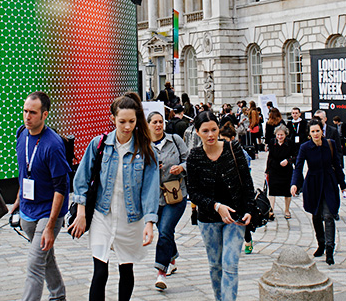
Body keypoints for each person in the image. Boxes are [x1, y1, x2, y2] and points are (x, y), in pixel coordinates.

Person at [69, 92, 159, 301]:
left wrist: (149, 222)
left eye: (131, 121)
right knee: (100, 271)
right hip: (102, 214)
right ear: (112, 119)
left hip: (131, 219)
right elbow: (81, 179)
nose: (127, 127)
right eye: (122, 121)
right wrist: (81, 212)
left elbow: (150, 189)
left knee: (126, 270)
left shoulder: (146, 150)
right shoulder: (99, 144)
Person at [187, 111, 255, 301]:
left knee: (230, 265)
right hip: (209, 219)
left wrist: (249, 209)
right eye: (205, 130)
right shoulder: (194, 156)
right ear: (198, 132)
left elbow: (247, 183)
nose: (210, 135)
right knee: (215, 265)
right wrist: (216, 206)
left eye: (214, 129)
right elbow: (193, 193)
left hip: (235, 216)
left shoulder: (233, 148)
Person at [11, 91, 71, 301]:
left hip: (48, 211)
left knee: (34, 264)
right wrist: (18, 199)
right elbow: (24, 171)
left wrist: (51, 226)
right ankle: (58, 295)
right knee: (46, 258)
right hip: (28, 209)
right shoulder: (22, 133)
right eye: (26, 111)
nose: (28, 116)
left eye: (33, 113)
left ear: (45, 115)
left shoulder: (53, 145)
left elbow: (61, 187)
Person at [291, 119, 346, 265]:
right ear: (309, 134)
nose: (316, 134)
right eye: (313, 131)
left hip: (329, 182)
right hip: (313, 183)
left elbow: (337, 164)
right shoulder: (305, 147)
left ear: (322, 131)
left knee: (329, 215)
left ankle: (330, 249)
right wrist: (295, 184)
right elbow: (298, 167)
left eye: (318, 130)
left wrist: (343, 184)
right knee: (316, 215)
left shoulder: (330, 144)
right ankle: (321, 243)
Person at [146, 111, 189, 290]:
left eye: (160, 122)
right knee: (166, 231)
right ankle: (172, 254)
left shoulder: (175, 141)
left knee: (164, 230)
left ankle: (161, 273)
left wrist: (181, 168)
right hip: (155, 198)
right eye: (154, 122)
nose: (158, 125)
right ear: (148, 125)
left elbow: (189, 160)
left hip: (176, 195)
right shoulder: (144, 145)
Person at [218, 122, 255, 255]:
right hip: (225, 191)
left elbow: (246, 174)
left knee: (241, 218)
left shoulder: (241, 153)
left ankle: (248, 239)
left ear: (232, 139)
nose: (222, 142)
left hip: (238, 191)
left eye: (225, 140)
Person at [266, 124, 295, 221]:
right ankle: (271, 210)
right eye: (278, 135)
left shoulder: (290, 142)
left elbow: (295, 156)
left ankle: (287, 210)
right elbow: (270, 156)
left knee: (287, 191)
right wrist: (267, 170)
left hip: (286, 170)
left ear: (285, 135)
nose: (279, 137)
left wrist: (288, 160)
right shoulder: (272, 142)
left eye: (281, 135)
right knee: (272, 190)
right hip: (274, 168)